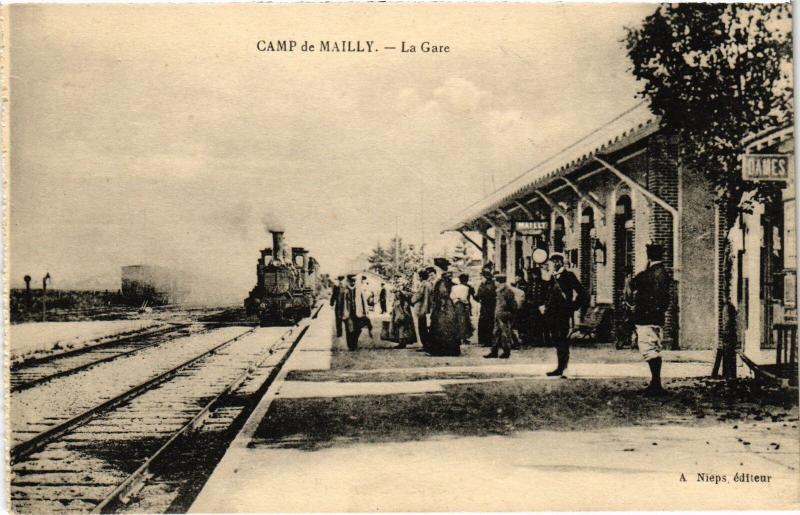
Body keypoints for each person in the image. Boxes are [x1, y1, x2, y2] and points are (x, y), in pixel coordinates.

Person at [629, 243, 672, 395]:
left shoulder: (647, 274)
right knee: (654, 348)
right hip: (656, 317)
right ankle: (656, 383)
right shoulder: (663, 273)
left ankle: (656, 384)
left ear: (649, 256)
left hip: (645, 317)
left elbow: (633, 283)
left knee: (649, 350)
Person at [541, 253, 588, 376]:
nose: (555, 263)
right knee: (556, 339)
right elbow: (548, 294)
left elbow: (583, 293)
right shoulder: (552, 277)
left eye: (557, 261)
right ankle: (560, 366)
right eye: (553, 261)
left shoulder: (568, 275)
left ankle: (563, 367)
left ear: (562, 262)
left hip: (562, 313)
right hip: (551, 313)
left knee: (562, 339)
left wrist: (572, 307)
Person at [428, 258, 460, 356]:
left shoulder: (442, 281)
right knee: (448, 326)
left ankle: (442, 350)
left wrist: (441, 306)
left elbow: (443, 293)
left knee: (442, 326)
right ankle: (450, 349)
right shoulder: (447, 280)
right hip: (447, 305)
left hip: (443, 307)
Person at [485, 273, 516, 359]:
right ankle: (494, 351)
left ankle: (506, 352)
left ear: (499, 281)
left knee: (505, 334)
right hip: (498, 314)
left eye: (495, 281)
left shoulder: (507, 291)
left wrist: (509, 314)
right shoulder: (499, 291)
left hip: (504, 315)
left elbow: (513, 304)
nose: (494, 283)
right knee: (495, 333)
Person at [341, 274, 370, 351]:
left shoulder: (359, 289)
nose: (352, 282)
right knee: (349, 329)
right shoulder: (345, 290)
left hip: (358, 312)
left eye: (354, 281)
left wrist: (366, 311)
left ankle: (354, 342)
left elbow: (363, 300)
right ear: (348, 281)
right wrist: (341, 313)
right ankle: (351, 345)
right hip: (348, 313)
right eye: (351, 281)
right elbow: (341, 302)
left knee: (357, 329)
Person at [411, 269, 433, 351]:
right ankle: (427, 344)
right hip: (427, 307)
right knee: (424, 326)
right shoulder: (429, 284)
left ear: (420, 277)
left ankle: (425, 345)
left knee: (421, 327)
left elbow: (418, 296)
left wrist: (412, 298)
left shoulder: (423, 285)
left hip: (421, 307)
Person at [450, 273, 474, 344]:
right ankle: (464, 338)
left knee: (457, 321)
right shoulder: (468, 287)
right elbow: (471, 297)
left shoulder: (454, 287)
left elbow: (451, 296)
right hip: (465, 305)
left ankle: (458, 337)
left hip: (455, 304)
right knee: (465, 321)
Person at [474, 271, 496, 347]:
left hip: (490, 307)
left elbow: (487, 294)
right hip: (484, 307)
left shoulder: (490, 284)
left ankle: (489, 341)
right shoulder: (483, 284)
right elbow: (478, 296)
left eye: (482, 277)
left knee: (488, 323)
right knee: (484, 323)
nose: (481, 279)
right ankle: (485, 340)